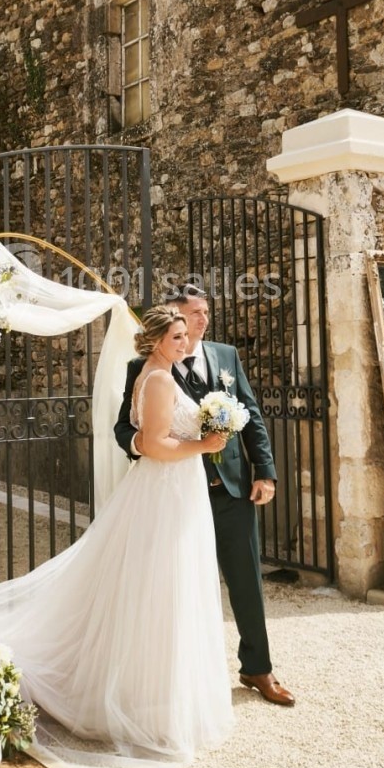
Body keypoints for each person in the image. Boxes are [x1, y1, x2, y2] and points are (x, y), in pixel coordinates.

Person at [0, 305, 235, 766]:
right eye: (176, 337)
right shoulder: (157, 379)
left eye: (183, 336)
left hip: (178, 489)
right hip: (167, 491)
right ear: (157, 340)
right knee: (162, 586)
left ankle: (159, 697)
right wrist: (205, 444)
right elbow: (153, 444)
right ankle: (149, 707)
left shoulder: (162, 373)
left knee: (164, 587)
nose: (184, 342)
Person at [115, 284, 295, 707]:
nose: (203, 319)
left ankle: (258, 669)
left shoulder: (226, 356)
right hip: (175, 493)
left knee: (246, 581)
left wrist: (265, 472)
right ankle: (176, 676)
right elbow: (124, 428)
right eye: (194, 312)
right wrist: (148, 447)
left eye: (206, 312)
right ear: (173, 318)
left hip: (231, 488)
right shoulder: (143, 368)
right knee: (177, 584)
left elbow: (250, 418)